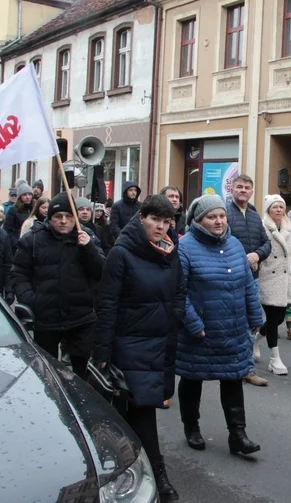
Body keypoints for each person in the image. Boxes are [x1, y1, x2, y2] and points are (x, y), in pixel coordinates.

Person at [94, 195, 183, 502]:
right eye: (155, 220)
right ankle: (157, 475)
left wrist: (176, 320)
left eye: (166, 221)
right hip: (130, 344)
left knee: (136, 413)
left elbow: (180, 292)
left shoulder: (171, 252)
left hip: (159, 343)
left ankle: (132, 472)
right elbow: (108, 304)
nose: (161, 227)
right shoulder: (122, 253)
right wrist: (103, 353)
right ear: (142, 217)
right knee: (140, 412)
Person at [177, 195, 263, 456]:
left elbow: (248, 283)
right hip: (201, 331)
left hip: (233, 328)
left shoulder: (235, 244)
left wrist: (255, 316)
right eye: (212, 217)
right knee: (192, 379)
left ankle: (238, 435)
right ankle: (191, 427)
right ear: (199, 220)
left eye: (222, 216)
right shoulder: (185, 247)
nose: (218, 221)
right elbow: (178, 293)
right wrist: (193, 324)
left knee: (233, 379)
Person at [10, 193, 105, 378]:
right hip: (46, 319)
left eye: (68, 217)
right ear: (49, 218)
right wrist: (32, 300)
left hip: (80, 318)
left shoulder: (87, 237)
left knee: (80, 372)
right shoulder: (33, 239)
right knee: (47, 373)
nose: (63, 221)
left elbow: (101, 271)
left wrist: (89, 249)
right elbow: (19, 273)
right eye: (58, 217)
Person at [226, 174, 272, 386]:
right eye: (239, 187)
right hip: (229, 279)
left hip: (251, 279)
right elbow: (219, 243)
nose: (243, 190)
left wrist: (257, 255)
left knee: (250, 324)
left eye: (247, 187)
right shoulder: (224, 213)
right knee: (228, 323)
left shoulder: (254, 216)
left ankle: (246, 369)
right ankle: (226, 364)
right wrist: (243, 259)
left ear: (252, 191)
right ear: (232, 189)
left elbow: (266, 244)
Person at [255, 194, 291, 375]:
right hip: (268, 277)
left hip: (286, 277)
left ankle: (255, 341)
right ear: (268, 209)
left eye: (281, 207)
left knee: (280, 318)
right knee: (273, 319)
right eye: (275, 207)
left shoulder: (290, 228)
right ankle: (275, 359)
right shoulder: (262, 226)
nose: (279, 210)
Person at [4, 183, 35, 251]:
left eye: (29, 194)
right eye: (24, 194)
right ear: (20, 196)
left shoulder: (35, 209)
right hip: (18, 246)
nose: (28, 197)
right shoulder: (13, 210)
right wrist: (17, 243)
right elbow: (7, 230)